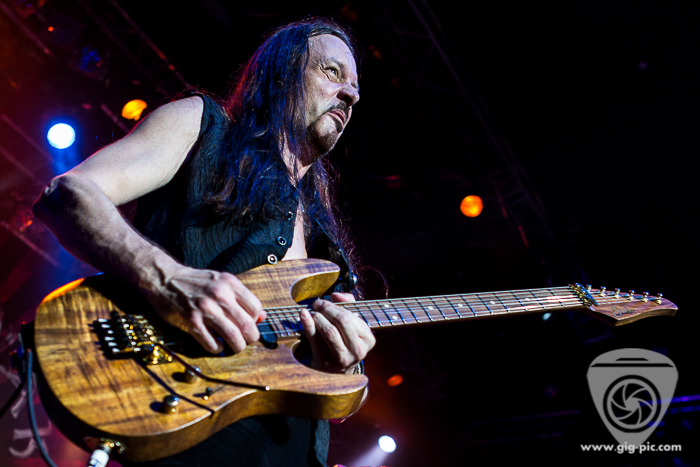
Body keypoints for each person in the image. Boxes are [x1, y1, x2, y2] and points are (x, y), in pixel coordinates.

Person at [33, 18, 375, 467]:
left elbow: (332, 392)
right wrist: (168, 278)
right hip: (184, 426)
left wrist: (341, 365)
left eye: (355, 87)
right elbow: (69, 194)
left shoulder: (325, 240)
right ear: (281, 73)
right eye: (332, 72)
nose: (350, 95)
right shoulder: (204, 126)